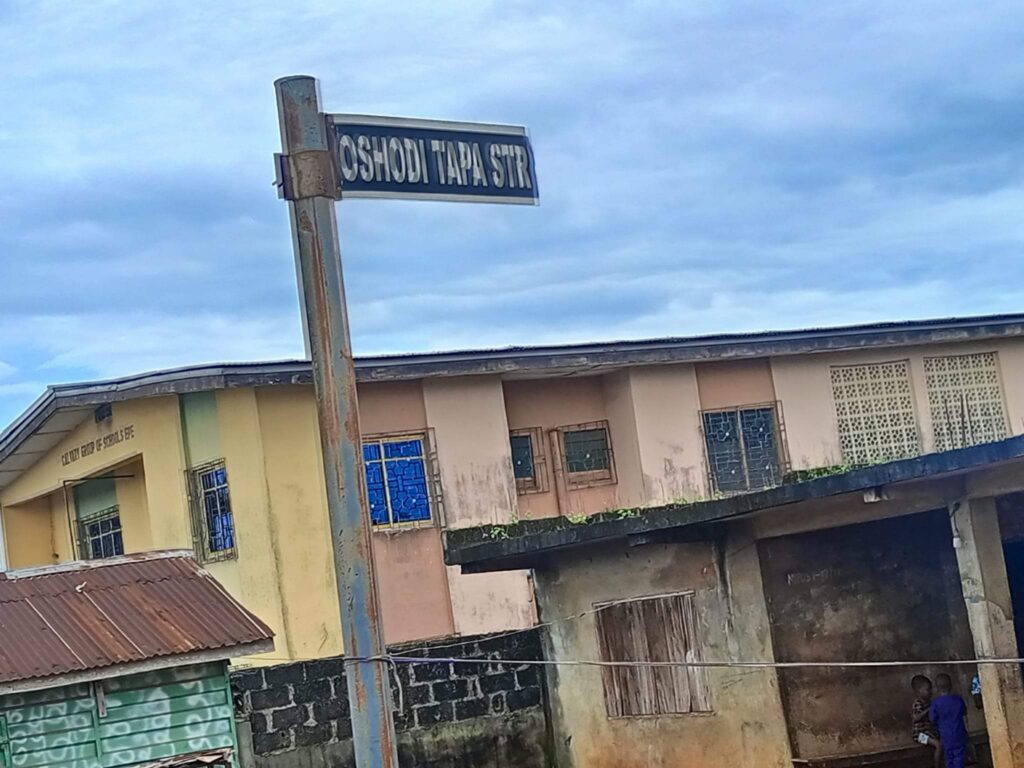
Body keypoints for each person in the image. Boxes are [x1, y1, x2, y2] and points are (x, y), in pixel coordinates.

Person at [929, 673, 969, 768]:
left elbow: (932, 719)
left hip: (945, 735)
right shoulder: (958, 699)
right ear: (951, 686)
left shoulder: (935, 703)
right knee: (959, 756)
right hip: (959, 733)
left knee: (948, 757)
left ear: (937, 688)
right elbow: (964, 712)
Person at [911, 674, 943, 768]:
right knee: (938, 745)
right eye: (928, 689)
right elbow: (915, 718)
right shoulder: (918, 703)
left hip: (929, 732)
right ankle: (937, 766)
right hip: (919, 735)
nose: (931, 692)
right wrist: (927, 711)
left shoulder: (929, 702)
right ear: (919, 691)